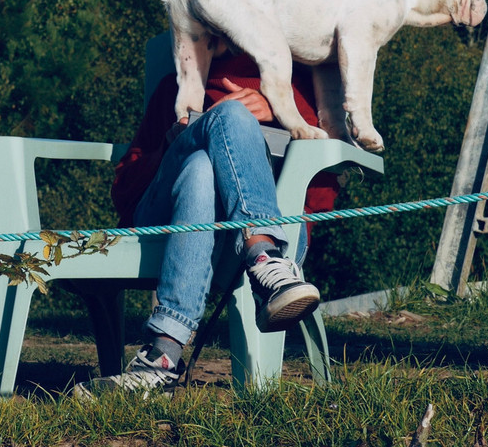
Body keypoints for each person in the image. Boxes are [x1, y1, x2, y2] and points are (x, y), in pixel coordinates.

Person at [74, 39, 339, 395]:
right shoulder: (175, 90)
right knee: (226, 119)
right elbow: (124, 192)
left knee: (199, 167)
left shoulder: (293, 91)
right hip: (161, 217)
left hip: (257, 225)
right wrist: (171, 145)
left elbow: (321, 192)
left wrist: (279, 112)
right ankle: (264, 258)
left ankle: (161, 358)